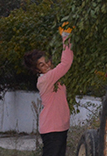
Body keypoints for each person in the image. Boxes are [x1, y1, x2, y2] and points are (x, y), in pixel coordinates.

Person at [24, 27, 73, 156]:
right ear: (37, 70)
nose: (46, 65)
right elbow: (66, 63)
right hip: (52, 129)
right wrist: (66, 36)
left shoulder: (54, 76)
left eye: (46, 61)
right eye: (41, 65)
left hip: (61, 127)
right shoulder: (45, 80)